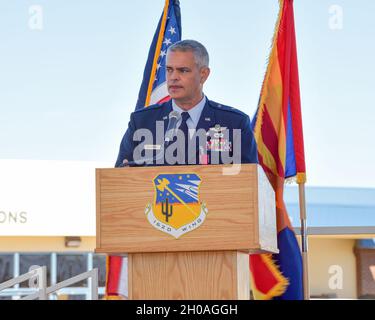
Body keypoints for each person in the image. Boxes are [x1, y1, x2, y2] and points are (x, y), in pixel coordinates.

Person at [115, 39, 258, 167]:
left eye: (183, 71)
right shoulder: (142, 121)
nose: (173, 77)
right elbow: (119, 180)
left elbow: (250, 184)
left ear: (203, 74)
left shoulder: (234, 123)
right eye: (169, 70)